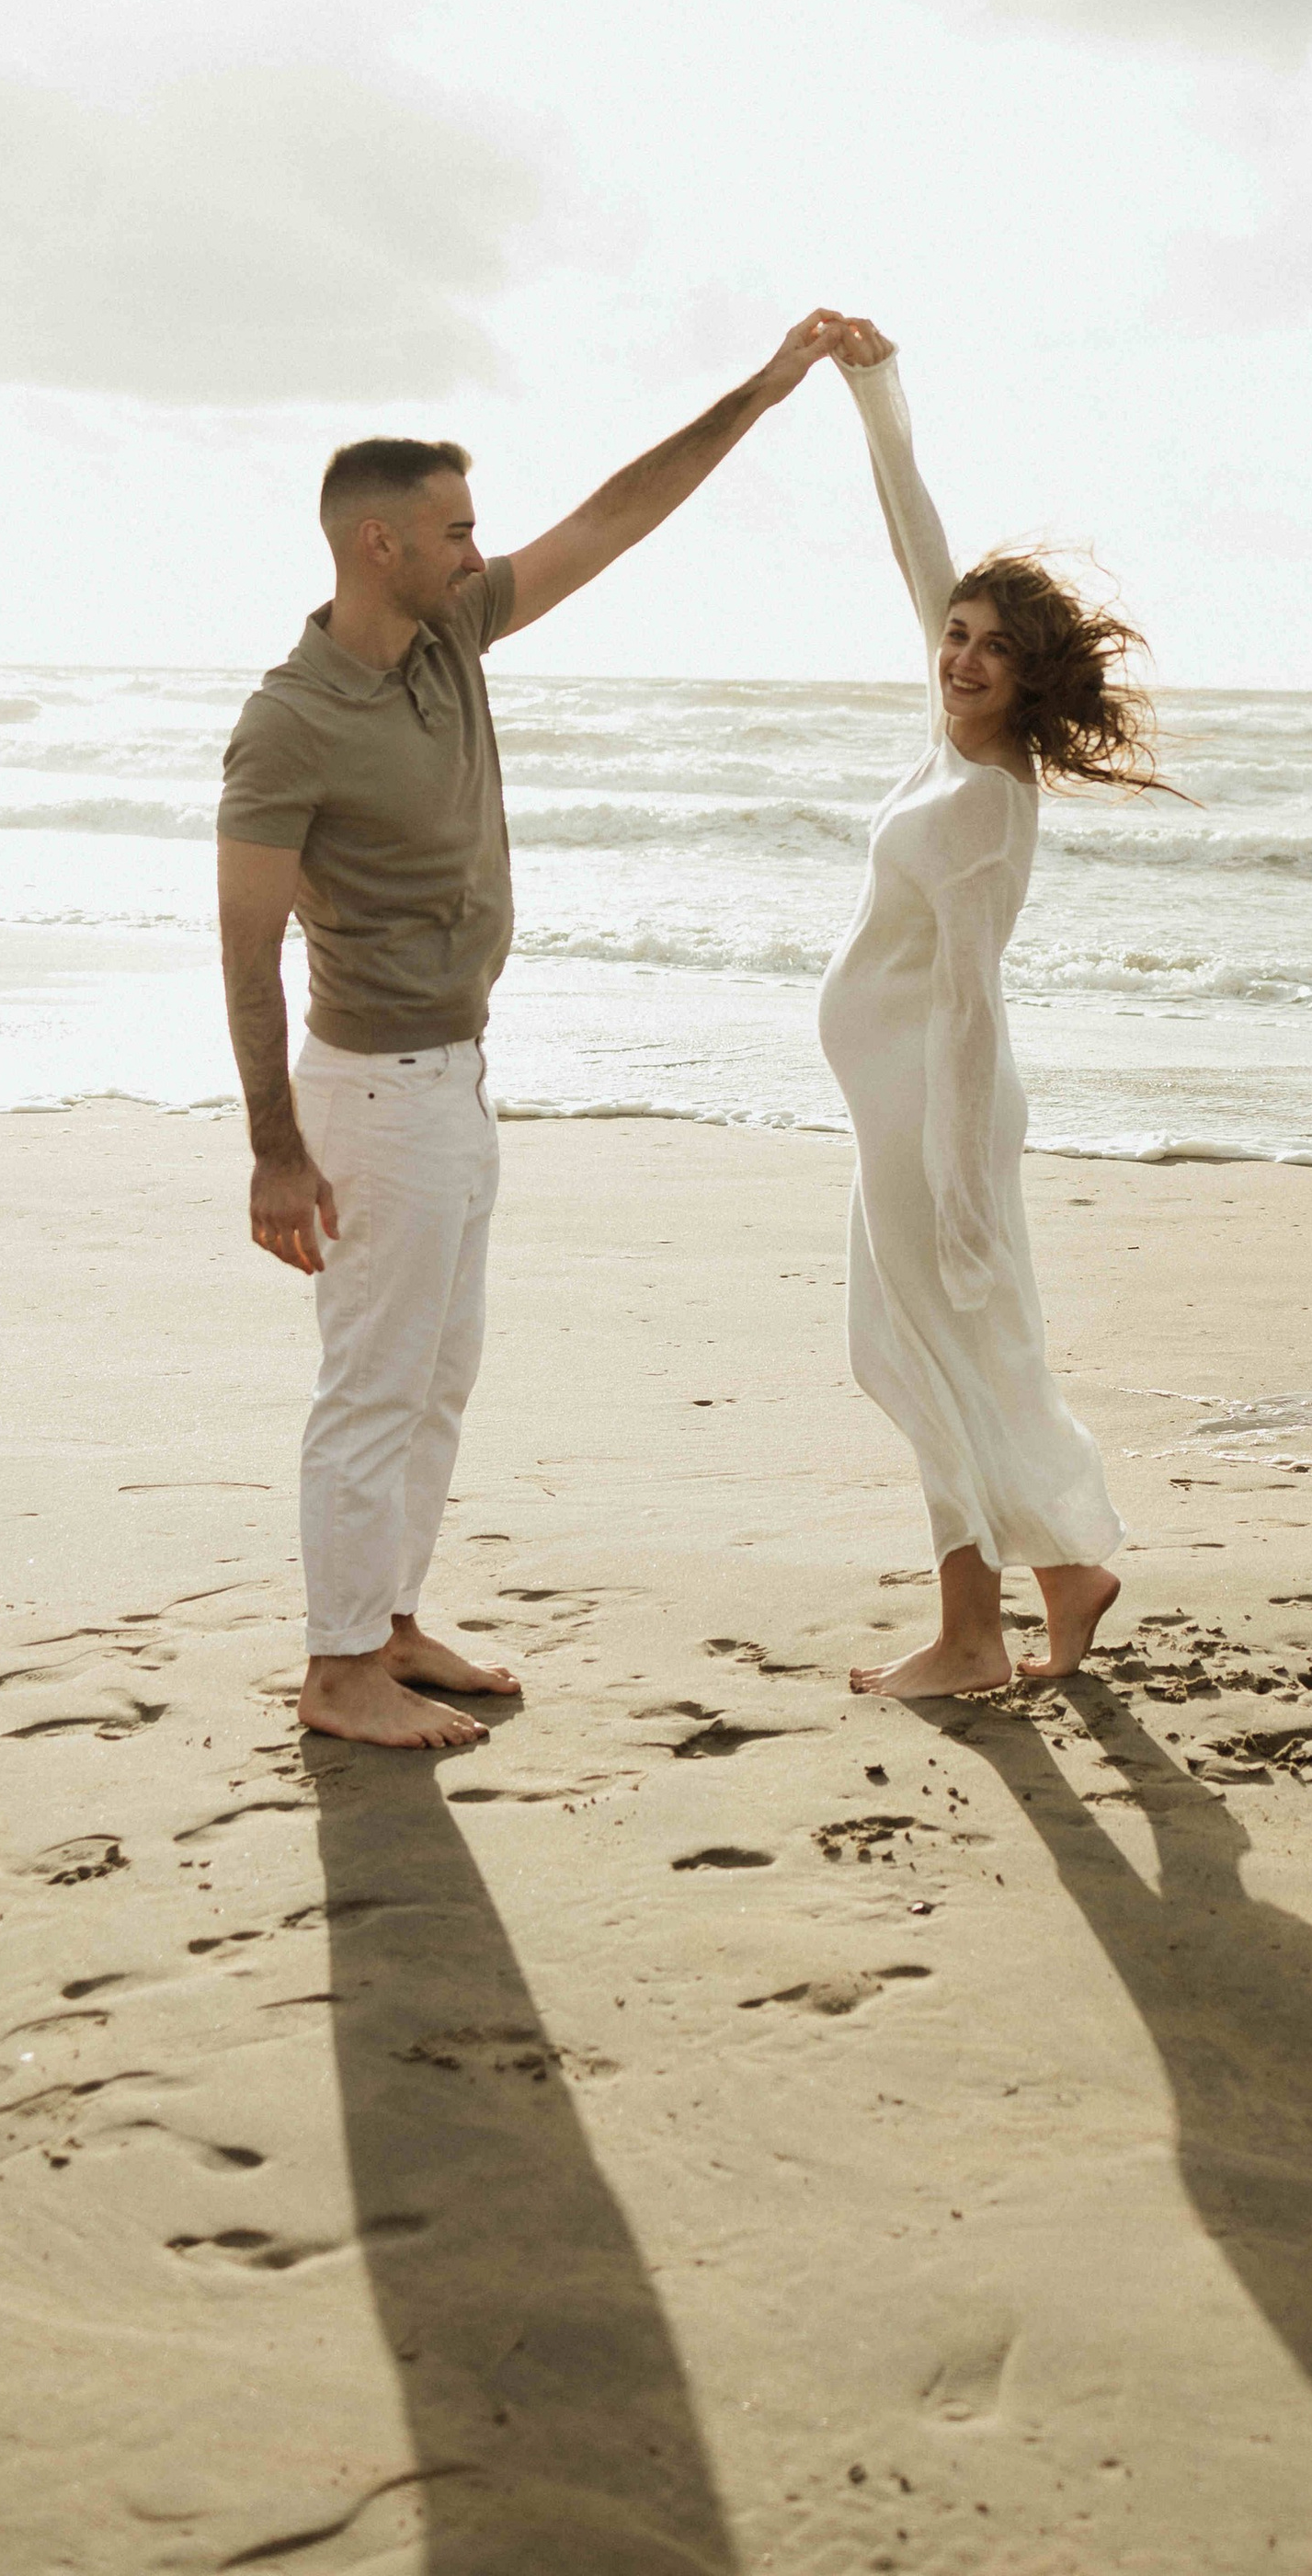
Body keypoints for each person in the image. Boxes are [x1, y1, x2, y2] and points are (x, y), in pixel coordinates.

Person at [218, 312, 845, 1751]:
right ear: (380, 544)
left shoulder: (452, 636)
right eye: (453, 529)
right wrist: (270, 1151)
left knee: (438, 1375)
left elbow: (611, 520)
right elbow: (245, 951)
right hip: (368, 1096)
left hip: (453, 1083)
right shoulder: (290, 723)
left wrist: (763, 387)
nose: (475, 549)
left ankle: (386, 1624)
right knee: (373, 1383)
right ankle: (335, 1674)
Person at [818, 319, 1169, 1699]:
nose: (958, 657)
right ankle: (1035, 1592)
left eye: (987, 650)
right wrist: (873, 393)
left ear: (1030, 677)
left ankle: (991, 1625)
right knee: (916, 1354)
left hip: (933, 1120)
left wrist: (961, 1192)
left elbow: (968, 1015)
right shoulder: (949, 741)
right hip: (898, 1114)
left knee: (955, 1351)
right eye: (954, 637)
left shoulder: (976, 800)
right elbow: (921, 546)